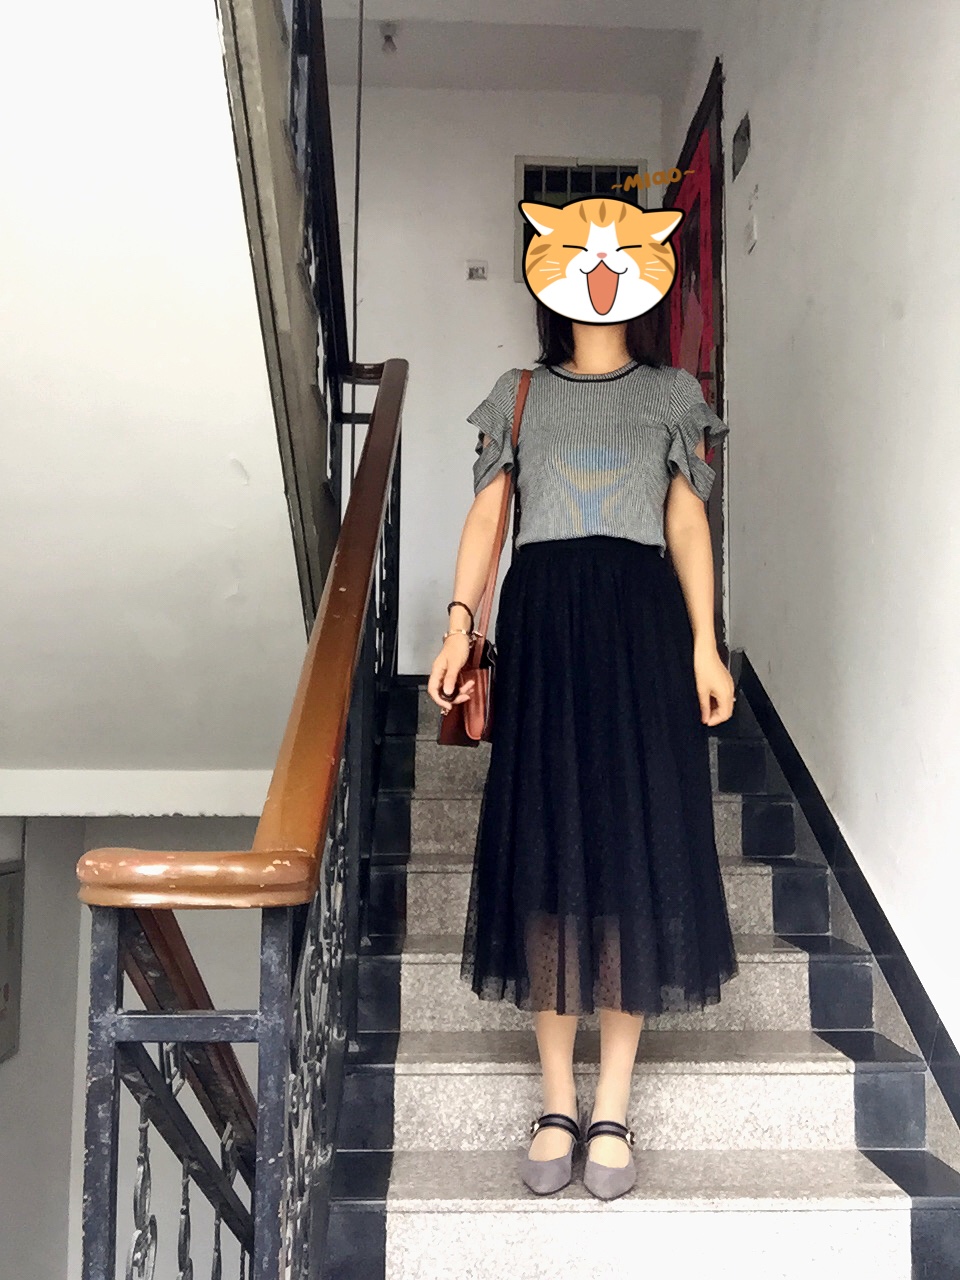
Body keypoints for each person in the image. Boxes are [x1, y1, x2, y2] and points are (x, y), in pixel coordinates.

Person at [427, 300, 739, 1202]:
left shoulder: (673, 393)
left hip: (642, 627)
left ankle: (612, 1106)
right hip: (545, 627)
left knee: (632, 846)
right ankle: (557, 1101)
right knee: (545, 847)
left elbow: (687, 523)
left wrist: (704, 643)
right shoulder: (518, 392)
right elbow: (489, 514)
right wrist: (458, 627)